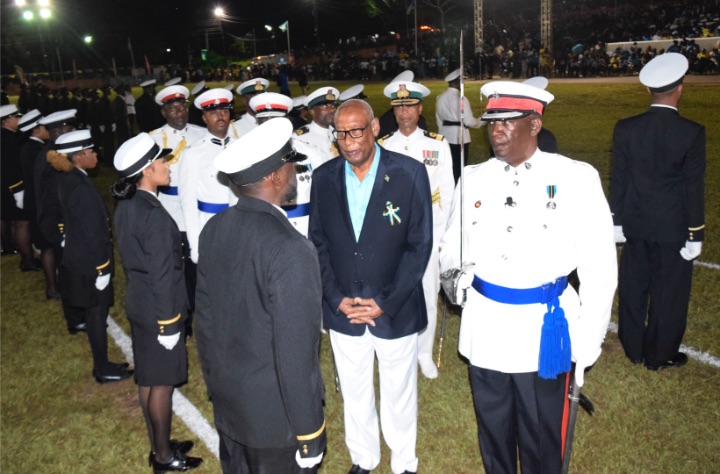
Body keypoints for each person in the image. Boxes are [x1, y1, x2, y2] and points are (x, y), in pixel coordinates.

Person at [439, 81, 617, 474]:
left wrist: (587, 343)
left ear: (534, 125)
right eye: (491, 123)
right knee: (494, 433)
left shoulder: (574, 178)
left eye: (508, 123)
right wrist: (454, 280)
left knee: (541, 439)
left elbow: (600, 268)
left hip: (543, 332)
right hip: (486, 327)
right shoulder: (473, 178)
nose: (496, 132)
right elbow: (451, 245)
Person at [309, 99, 433, 474]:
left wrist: (386, 301)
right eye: (341, 133)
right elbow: (318, 243)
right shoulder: (324, 177)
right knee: (354, 389)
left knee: (399, 390)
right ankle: (364, 457)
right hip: (344, 309)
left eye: (356, 131)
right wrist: (334, 297)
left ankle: (403, 463)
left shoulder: (410, 173)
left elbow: (419, 245)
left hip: (394, 308)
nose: (348, 142)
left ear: (376, 128)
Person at [195, 118, 326, 473]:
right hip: (275, 424)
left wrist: (219, 388)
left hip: (231, 408)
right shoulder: (290, 249)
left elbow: (204, 325)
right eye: (290, 165)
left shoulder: (214, 229)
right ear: (275, 176)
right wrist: (309, 431)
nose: (295, 173)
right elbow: (296, 355)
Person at [112, 133, 202, 473]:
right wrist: (169, 322)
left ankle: (159, 445)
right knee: (161, 385)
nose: (167, 166)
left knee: (149, 380)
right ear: (148, 171)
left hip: (141, 302)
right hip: (158, 309)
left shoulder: (130, 203)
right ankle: (164, 458)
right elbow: (163, 274)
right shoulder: (152, 214)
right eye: (162, 162)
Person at [610, 53, 706, 371]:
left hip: (635, 225)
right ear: (679, 88)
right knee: (670, 294)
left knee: (634, 287)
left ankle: (634, 348)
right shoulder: (691, 133)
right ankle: (659, 353)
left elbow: (619, 179)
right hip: (673, 229)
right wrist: (695, 233)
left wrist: (618, 221)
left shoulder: (626, 128)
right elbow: (693, 188)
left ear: (649, 90)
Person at [378, 80, 454, 380]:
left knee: (427, 290)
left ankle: (423, 352)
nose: (405, 113)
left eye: (410, 106)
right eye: (399, 108)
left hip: (428, 228)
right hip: (392, 231)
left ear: (420, 109)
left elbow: (447, 191)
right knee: (393, 290)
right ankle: (399, 346)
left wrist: (441, 234)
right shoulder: (383, 145)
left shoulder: (437, 144)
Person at [52, 129, 133, 383]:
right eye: (90, 151)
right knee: (97, 314)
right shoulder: (78, 185)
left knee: (95, 313)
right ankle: (102, 367)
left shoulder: (70, 178)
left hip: (80, 257)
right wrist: (101, 268)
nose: (95, 154)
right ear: (78, 156)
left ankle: (102, 364)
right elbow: (92, 231)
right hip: (90, 262)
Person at [149, 84, 205, 312]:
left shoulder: (201, 134)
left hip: (198, 207)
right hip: (169, 207)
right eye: (173, 109)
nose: (179, 113)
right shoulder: (153, 139)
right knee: (175, 260)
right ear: (164, 112)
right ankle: (181, 307)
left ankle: (198, 303)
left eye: (182, 108)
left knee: (198, 258)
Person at [178, 88, 238, 265]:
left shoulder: (241, 147)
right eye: (213, 112)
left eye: (224, 111)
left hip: (242, 227)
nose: (220, 116)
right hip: (211, 228)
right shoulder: (192, 154)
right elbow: (188, 204)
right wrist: (196, 247)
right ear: (204, 118)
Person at [19, 109, 59, 298]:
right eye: (44, 127)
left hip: (34, 200)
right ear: (36, 131)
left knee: (47, 245)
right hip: (39, 203)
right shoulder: (37, 151)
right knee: (48, 245)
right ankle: (52, 287)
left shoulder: (29, 147)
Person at [1, 104, 38, 269]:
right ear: (7, 120)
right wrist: (18, 191)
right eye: (16, 117)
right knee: (22, 222)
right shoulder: (8, 139)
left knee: (10, 220)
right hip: (12, 188)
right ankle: (27, 260)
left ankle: (12, 248)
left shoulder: (5, 136)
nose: (18, 120)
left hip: (4, 187)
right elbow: (10, 167)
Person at [435, 68, 485, 182]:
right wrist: (483, 120)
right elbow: (469, 122)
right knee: (459, 170)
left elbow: (438, 119)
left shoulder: (440, 97)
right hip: (460, 137)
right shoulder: (461, 99)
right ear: (457, 82)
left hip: (445, 136)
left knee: (446, 168)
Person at [294, 87, 340, 164]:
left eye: (332, 106)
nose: (332, 110)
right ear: (312, 111)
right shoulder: (300, 139)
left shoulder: (338, 133)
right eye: (325, 106)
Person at [377, 71, 428, 138]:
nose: (404, 110)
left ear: (420, 108)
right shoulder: (385, 123)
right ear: (394, 109)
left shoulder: (421, 121)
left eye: (410, 105)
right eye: (399, 106)